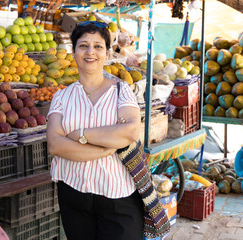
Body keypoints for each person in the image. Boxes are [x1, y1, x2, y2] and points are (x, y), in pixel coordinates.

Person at [47, 21, 143, 240]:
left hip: (117, 197)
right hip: (74, 195)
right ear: (74, 52)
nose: (90, 52)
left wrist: (82, 134)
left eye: (98, 46)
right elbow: (55, 144)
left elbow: (130, 132)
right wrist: (105, 149)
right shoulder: (61, 97)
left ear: (107, 53)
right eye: (83, 46)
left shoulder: (121, 91)